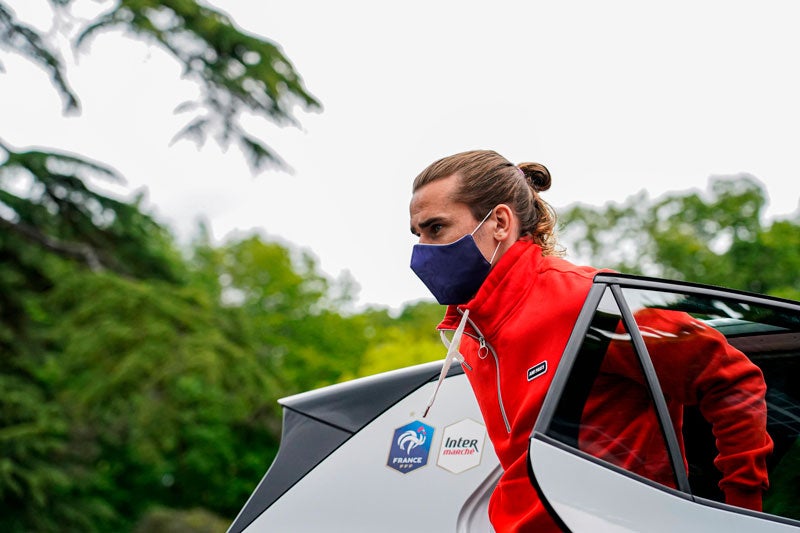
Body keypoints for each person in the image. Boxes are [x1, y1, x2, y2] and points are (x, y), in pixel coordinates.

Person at [408, 149, 772, 532]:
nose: (422, 251)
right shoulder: (472, 338)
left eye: (436, 228)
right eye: (417, 234)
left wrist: (743, 512)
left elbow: (733, 380)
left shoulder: (589, 302)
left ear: (500, 221)